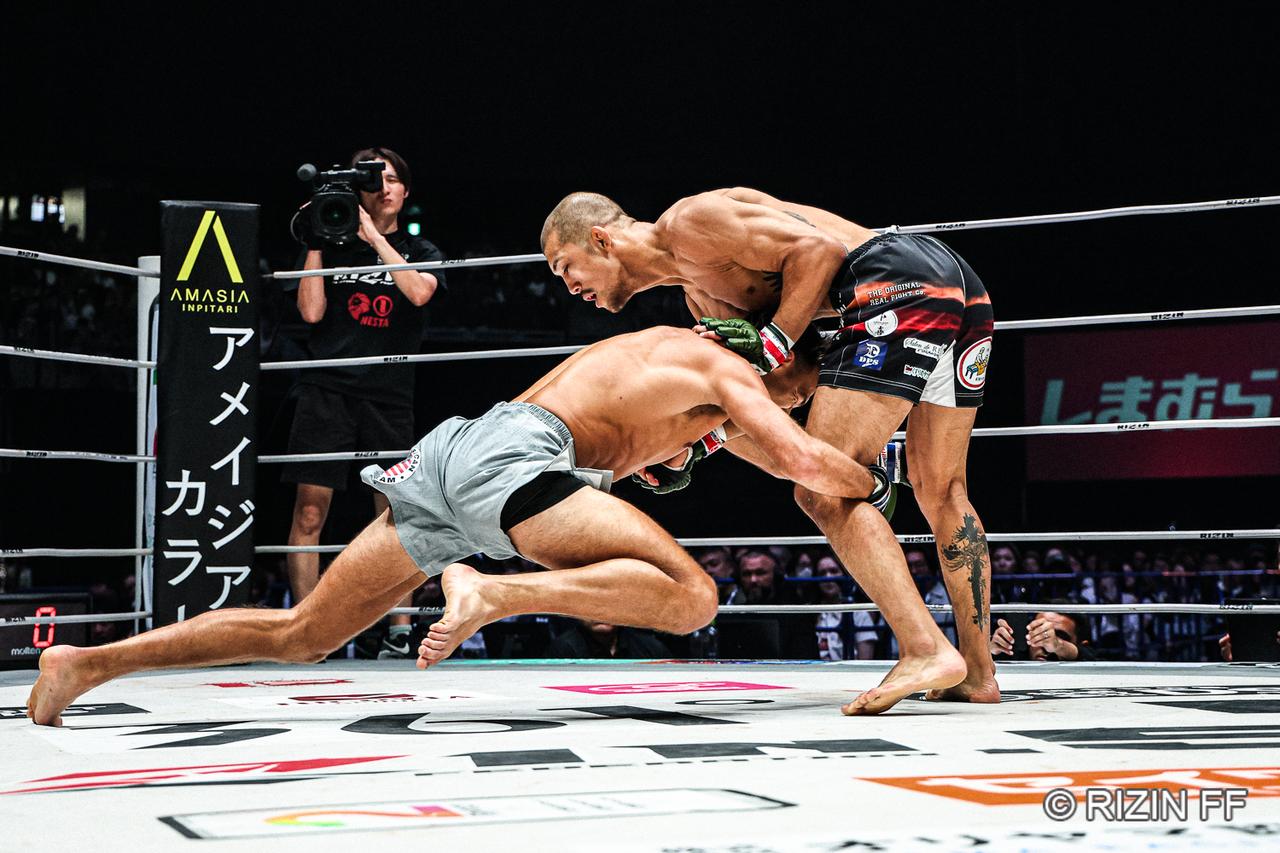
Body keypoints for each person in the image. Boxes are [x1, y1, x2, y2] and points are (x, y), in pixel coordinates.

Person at [27, 325, 905, 726]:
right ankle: (491, 590)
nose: (801, 405)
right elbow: (803, 460)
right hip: (516, 463)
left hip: (454, 456)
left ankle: (84, 664)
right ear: (780, 366)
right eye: (805, 391)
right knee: (692, 597)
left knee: (303, 635)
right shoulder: (729, 373)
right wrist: (876, 480)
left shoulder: (667, 362)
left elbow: (758, 451)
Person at [541, 188, 991, 709]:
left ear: (601, 239)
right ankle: (978, 673)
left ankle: (924, 649)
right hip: (953, 288)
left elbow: (819, 251)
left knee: (825, 491)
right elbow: (788, 389)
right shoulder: (701, 299)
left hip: (892, 282)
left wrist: (773, 341)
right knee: (942, 490)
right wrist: (698, 445)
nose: (569, 287)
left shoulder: (689, 223)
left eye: (565, 266)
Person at [285, 146, 445, 659]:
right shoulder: (332, 245)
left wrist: (375, 238)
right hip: (326, 389)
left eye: (392, 178)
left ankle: (398, 630)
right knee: (310, 512)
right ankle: (305, 633)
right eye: (374, 180)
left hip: (388, 395)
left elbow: (418, 294)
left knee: (394, 513)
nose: (384, 187)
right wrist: (316, 239)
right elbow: (311, 313)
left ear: (406, 189)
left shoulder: (421, 249)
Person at [990, 608, 1097, 661]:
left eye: (1060, 636)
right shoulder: (1013, 655)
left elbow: (1086, 655)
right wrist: (988, 651)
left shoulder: (1090, 661)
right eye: (1038, 631)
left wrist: (1058, 645)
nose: (1046, 644)